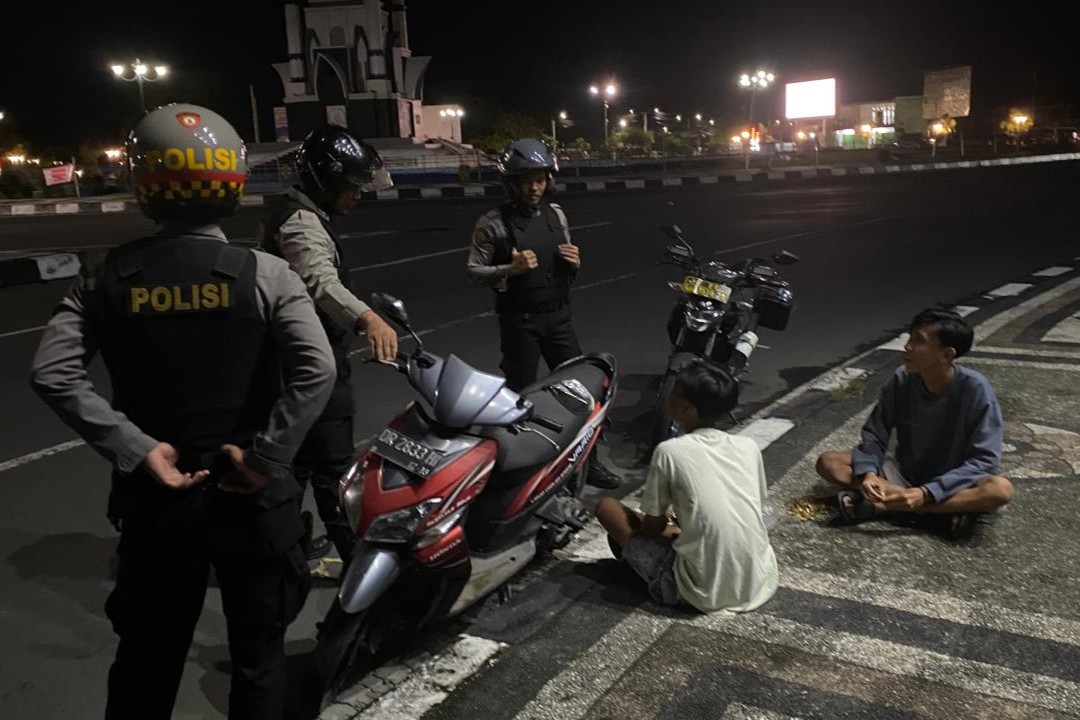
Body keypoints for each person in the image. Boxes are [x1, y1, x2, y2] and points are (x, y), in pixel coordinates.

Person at [29, 103, 336, 719]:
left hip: (157, 500)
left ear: (144, 184)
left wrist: (138, 449)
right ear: (233, 181)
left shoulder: (105, 276)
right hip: (251, 498)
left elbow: (52, 372)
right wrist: (266, 458)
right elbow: (318, 369)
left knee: (146, 665)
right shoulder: (267, 274)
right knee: (259, 664)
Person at [262, 125, 398, 563]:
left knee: (297, 466)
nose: (357, 195)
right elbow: (320, 281)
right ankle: (355, 562)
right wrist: (368, 318)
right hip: (310, 365)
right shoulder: (301, 224)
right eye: (351, 187)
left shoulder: (299, 214)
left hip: (294, 361)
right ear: (325, 181)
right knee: (333, 470)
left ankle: (283, 550)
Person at [465, 138, 620, 489]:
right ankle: (518, 474)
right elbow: (473, 271)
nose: (534, 188)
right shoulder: (493, 223)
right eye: (526, 180)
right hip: (520, 323)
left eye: (539, 179)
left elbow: (564, 265)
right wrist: (509, 270)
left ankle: (589, 462)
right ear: (511, 182)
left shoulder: (557, 215)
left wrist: (575, 263)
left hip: (559, 318)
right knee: (519, 398)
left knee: (581, 391)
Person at [596, 361, 778, 613]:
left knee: (608, 508)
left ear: (686, 408)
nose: (668, 396)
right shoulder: (748, 446)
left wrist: (665, 524)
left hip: (701, 591)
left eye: (674, 392)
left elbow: (651, 530)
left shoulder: (670, 451)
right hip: (758, 581)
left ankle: (649, 571)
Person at [816, 308, 1015, 538]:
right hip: (905, 473)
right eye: (910, 338)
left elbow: (985, 459)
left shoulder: (975, 389)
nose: (908, 347)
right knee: (829, 462)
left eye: (918, 341)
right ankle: (930, 513)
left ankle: (894, 506)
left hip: (954, 483)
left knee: (1000, 490)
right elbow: (875, 434)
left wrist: (927, 492)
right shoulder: (902, 378)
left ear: (946, 355)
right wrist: (869, 474)